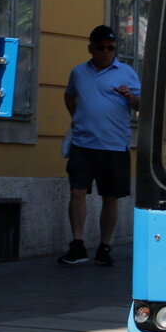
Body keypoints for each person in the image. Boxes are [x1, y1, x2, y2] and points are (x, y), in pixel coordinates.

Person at [58, 25, 141, 266]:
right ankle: (78, 245)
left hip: (114, 146)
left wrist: (129, 97)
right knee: (77, 192)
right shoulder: (78, 72)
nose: (106, 52)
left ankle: (104, 246)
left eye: (111, 48)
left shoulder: (126, 73)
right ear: (91, 49)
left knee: (110, 198)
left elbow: (141, 105)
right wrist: (76, 117)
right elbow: (69, 95)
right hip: (83, 144)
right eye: (101, 47)